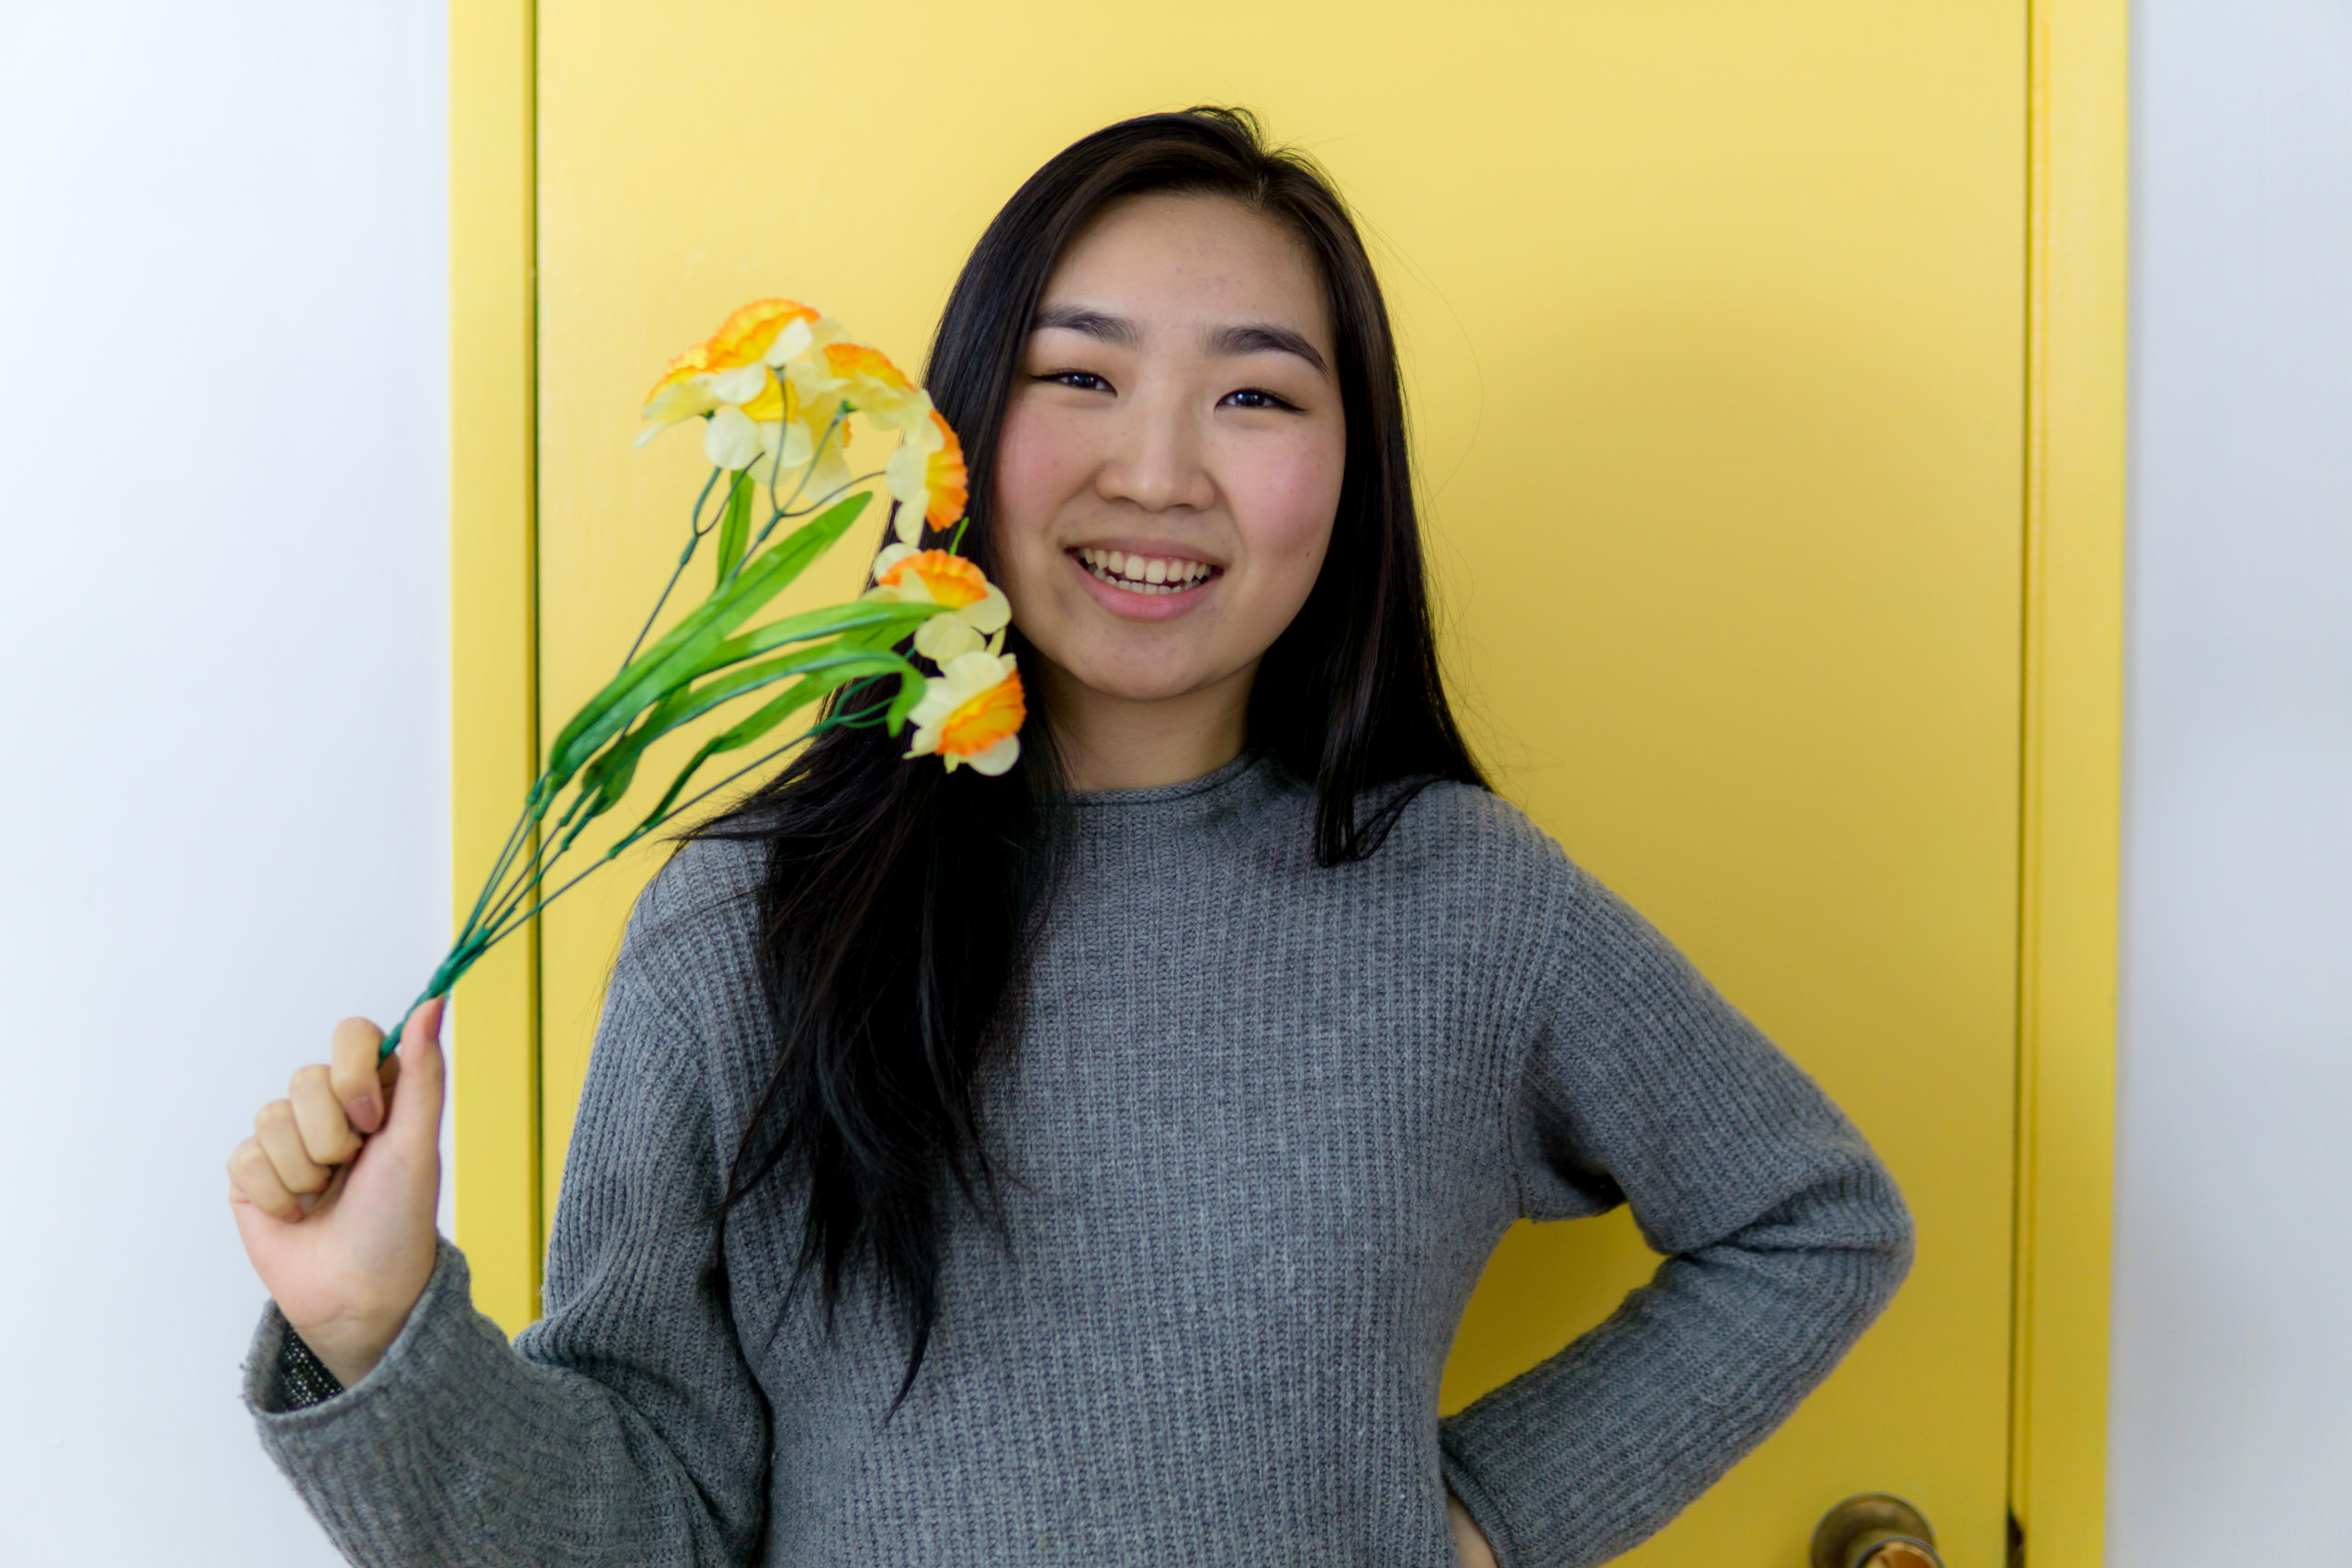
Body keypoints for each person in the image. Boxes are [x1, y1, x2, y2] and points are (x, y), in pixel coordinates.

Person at [227, 107, 1913, 1568]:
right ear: (959, 429)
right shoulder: (750, 918)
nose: (1158, 472)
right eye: (1080, 376)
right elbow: (650, 1526)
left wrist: (1472, 1521)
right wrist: (370, 1328)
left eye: (1255, 397)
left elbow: (1814, 1220)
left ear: (1353, 471)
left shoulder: (1463, 903)